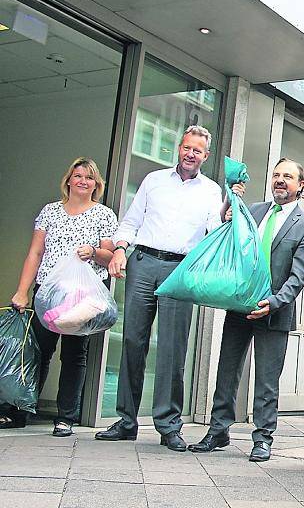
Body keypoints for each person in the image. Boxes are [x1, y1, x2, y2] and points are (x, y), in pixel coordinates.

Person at [96, 125, 228, 451]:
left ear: (205, 156)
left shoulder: (211, 191)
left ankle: (169, 425)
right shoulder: (154, 180)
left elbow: (215, 231)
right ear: (179, 148)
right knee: (132, 340)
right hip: (143, 261)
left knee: (172, 349)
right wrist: (120, 250)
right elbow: (130, 221)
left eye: (197, 150)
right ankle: (126, 421)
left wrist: (227, 214)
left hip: (181, 271)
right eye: (186, 147)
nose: (190, 154)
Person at [188, 158, 304, 462]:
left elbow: (299, 275)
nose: (280, 180)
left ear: (300, 186)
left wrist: (274, 302)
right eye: (276, 174)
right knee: (227, 371)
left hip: (274, 310)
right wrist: (228, 211)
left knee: (266, 380)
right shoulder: (254, 211)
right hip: (240, 306)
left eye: (288, 176)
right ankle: (217, 431)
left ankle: (263, 438)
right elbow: (232, 241)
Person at [5, 158, 117, 436]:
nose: (82, 181)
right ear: (68, 180)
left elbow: (109, 255)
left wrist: (92, 251)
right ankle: (21, 411)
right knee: (36, 353)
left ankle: (66, 417)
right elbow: (35, 253)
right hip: (48, 292)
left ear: (96, 184)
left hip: (83, 297)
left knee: (74, 354)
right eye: (77, 175)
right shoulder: (50, 212)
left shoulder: (104, 214)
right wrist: (22, 290)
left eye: (89, 177)